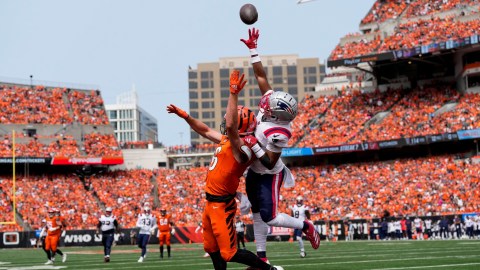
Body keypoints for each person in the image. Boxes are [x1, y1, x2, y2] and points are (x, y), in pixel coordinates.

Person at [167, 69, 283, 270]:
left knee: (229, 253)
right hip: (210, 203)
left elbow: (230, 125)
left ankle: (268, 269)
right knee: (210, 247)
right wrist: (185, 116)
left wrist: (233, 93)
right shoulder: (228, 141)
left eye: (232, 121)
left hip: (222, 205)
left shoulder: (243, 150)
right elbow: (204, 130)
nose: (225, 122)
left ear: (240, 127)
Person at [240, 27, 320, 263]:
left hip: (269, 173)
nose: (264, 104)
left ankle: (304, 224)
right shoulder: (274, 113)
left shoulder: (279, 132)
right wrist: (254, 51)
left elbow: (268, 160)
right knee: (255, 213)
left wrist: (252, 142)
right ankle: (261, 259)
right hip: (255, 171)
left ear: (276, 115)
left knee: (270, 216)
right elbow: (261, 77)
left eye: (269, 106)